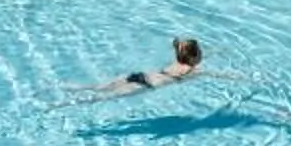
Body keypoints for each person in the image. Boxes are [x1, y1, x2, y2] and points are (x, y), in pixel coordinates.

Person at [73, 37, 204, 99]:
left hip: (139, 76)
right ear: (195, 57)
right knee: (100, 98)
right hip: (145, 84)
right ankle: (61, 105)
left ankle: (67, 87)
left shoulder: (176, 62)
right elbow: (210, 73)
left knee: (96, 88)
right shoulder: (192, 71)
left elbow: (187, 55)